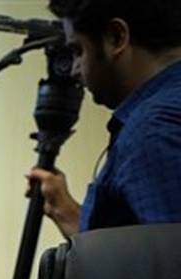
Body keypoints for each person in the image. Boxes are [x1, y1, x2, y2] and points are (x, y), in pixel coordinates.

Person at [29, 0, 181, 235]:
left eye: (78, 50)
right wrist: (66, 212)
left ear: (116, 38)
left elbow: (167, 255)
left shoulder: (152, 130)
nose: (74, 69)